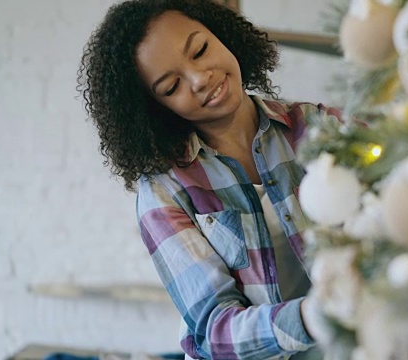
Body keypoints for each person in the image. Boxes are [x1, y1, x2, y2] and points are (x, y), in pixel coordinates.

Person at [77, 0, 343, 359]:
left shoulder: (315, 128)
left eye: (200, 50)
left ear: (221, 33)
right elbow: (215, 331)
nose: (201, 78)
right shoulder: (163, 190)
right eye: (172, 86)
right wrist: (314, 316)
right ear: (155, 108)